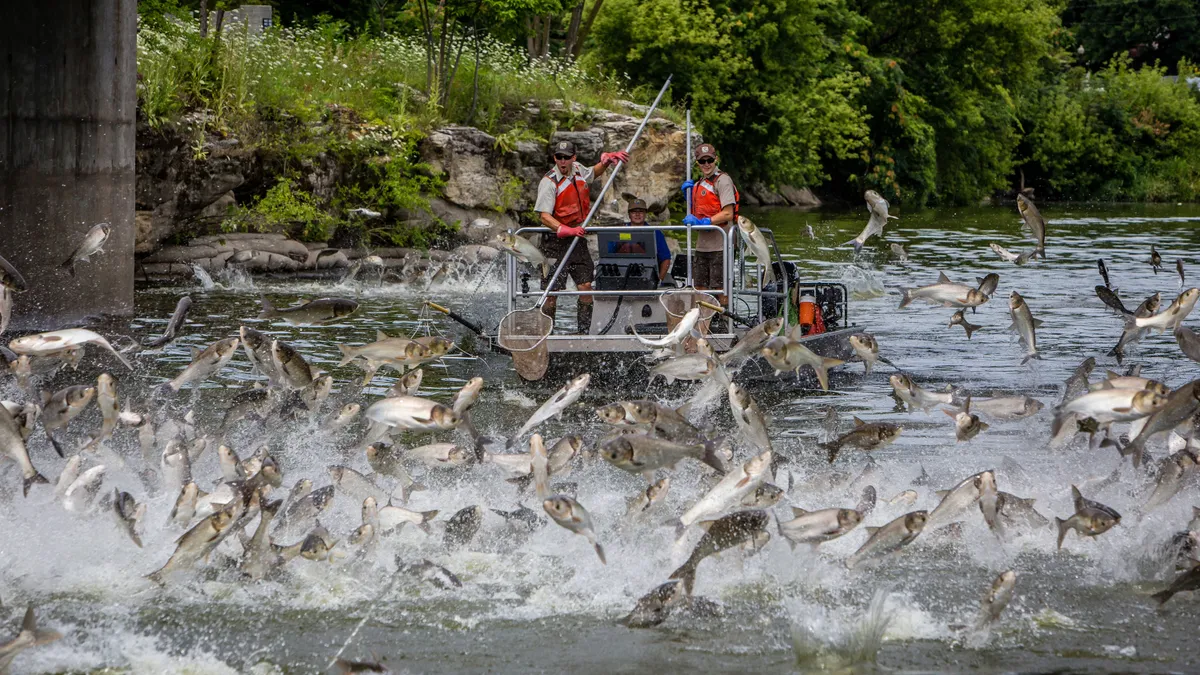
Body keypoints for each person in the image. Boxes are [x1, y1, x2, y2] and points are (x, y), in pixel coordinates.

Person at [534, 140, 629, 333]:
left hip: (577, 239)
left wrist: (607, 162)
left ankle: (583, 332)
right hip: (554, 241)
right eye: (559, 157)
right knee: (552, 292)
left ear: (573, 158)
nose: (563, 161)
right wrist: (563, 229)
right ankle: (548, 334)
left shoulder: (577, 169)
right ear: (555, 158)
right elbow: (544, 216)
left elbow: (593, 173)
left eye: (566, 157)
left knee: (586, 286)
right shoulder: (549, 182)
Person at [680, 143, 739, 296]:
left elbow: (728, 214)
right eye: (702, 161)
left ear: (716, 159)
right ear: (697, 163)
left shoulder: (723, 180)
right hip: (702, 247)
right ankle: (704, 319)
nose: (706, 164)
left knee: (720, 290)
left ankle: (724, 319)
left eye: (709, 160)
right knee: (699, 289)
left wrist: (705, 222)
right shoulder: (698, 184)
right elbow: (698, 210)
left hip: (721, 246)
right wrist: (689, 198)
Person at [625, 198, 674, 286]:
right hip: (624, 275)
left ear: (645, 214)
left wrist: (659, 281)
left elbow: (666, 259)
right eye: (633, 212)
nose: (637, 214)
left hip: (648, 277)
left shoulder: (655, 232)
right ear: (629, 214)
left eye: (641, 211)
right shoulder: (618, 231)